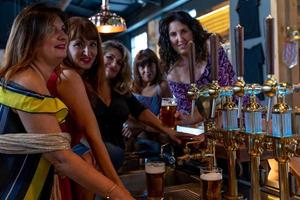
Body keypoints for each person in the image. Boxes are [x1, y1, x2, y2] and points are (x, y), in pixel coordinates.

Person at [0, 3, 133, 200]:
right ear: (30, 36)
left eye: (63, 30)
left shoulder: (27, 76)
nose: (63, 36)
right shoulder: (28, 79)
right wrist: (118, 193)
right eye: (51, 30)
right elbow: (61, 158)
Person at [47, 17, 130, 199]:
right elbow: (93, 136)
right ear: (65, 45)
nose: (88, 51)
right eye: (79, 44)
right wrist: (119, 188)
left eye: (93, 44)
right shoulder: (69, 77)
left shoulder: (71, 75)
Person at [79, 40, 183, 170]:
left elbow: (140, 111)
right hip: (91, 158)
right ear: (99, 56)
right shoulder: (83, 86)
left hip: (118, 157)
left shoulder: (120, 90)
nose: (114, 64)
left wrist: (167, 130)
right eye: (110, 58)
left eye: (119, 63)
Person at [158, 11, 235, 125]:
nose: (180, 39)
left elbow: (225, 90)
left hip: (237, 111)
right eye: (173, 34)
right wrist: (175, 118)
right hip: (208, 128)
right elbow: (188, 112)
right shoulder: (173, 74)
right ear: (168, 40)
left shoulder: (210, 46)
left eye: (183, 31)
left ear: (192, 31)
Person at [123, 48, 172, 153]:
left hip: (157, 134)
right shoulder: (131, 87)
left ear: (156, 66)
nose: (147, 70)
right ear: (137, 68)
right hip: (134, 132)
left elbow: (169, 117)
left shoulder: (162, 86)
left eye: (150, 65)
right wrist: (127, 126)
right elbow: (125, 116)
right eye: (142, 66)